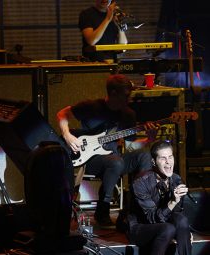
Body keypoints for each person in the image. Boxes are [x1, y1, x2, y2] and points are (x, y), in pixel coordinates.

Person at [57, 74, 156, 228]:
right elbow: (62, 114)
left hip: (114, 158)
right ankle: (102, 211)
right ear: (114, 93)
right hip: (90, 160)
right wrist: (67, 135)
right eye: (126, 95)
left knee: (144, 156)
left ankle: (139, 207)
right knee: (116, 162)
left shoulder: (128, 115)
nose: (128, 99)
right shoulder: (92, 107)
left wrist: (149, 140)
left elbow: (130, 146)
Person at [127, 140, 192, 255]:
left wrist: (184, 230)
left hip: (164, 223)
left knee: (182, 220)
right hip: (140, 227)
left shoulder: (175, 179)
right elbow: (151, 219)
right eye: (163, 158)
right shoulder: (140, 183)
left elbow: (176, 214)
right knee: (168, 228)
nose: (168, 163)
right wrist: (173, 202)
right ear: (153, 161)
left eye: (170, 157)